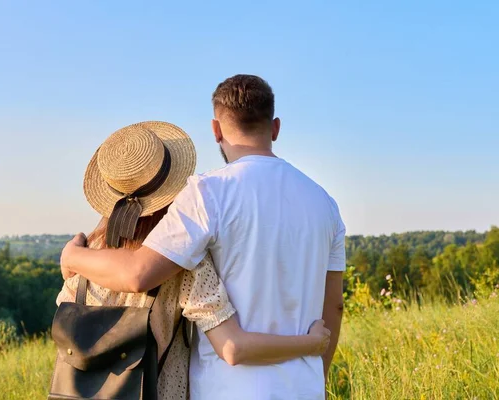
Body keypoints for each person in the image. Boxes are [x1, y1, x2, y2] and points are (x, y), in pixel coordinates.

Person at [61, 76, 346, 400]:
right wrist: (313, 367)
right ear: (275, 127)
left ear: (216, 130)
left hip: (224, 389)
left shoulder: (207, 194)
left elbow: (138, 272)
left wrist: (72, 257)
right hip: (303, 387)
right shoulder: (325, 203)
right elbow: (333, 306)